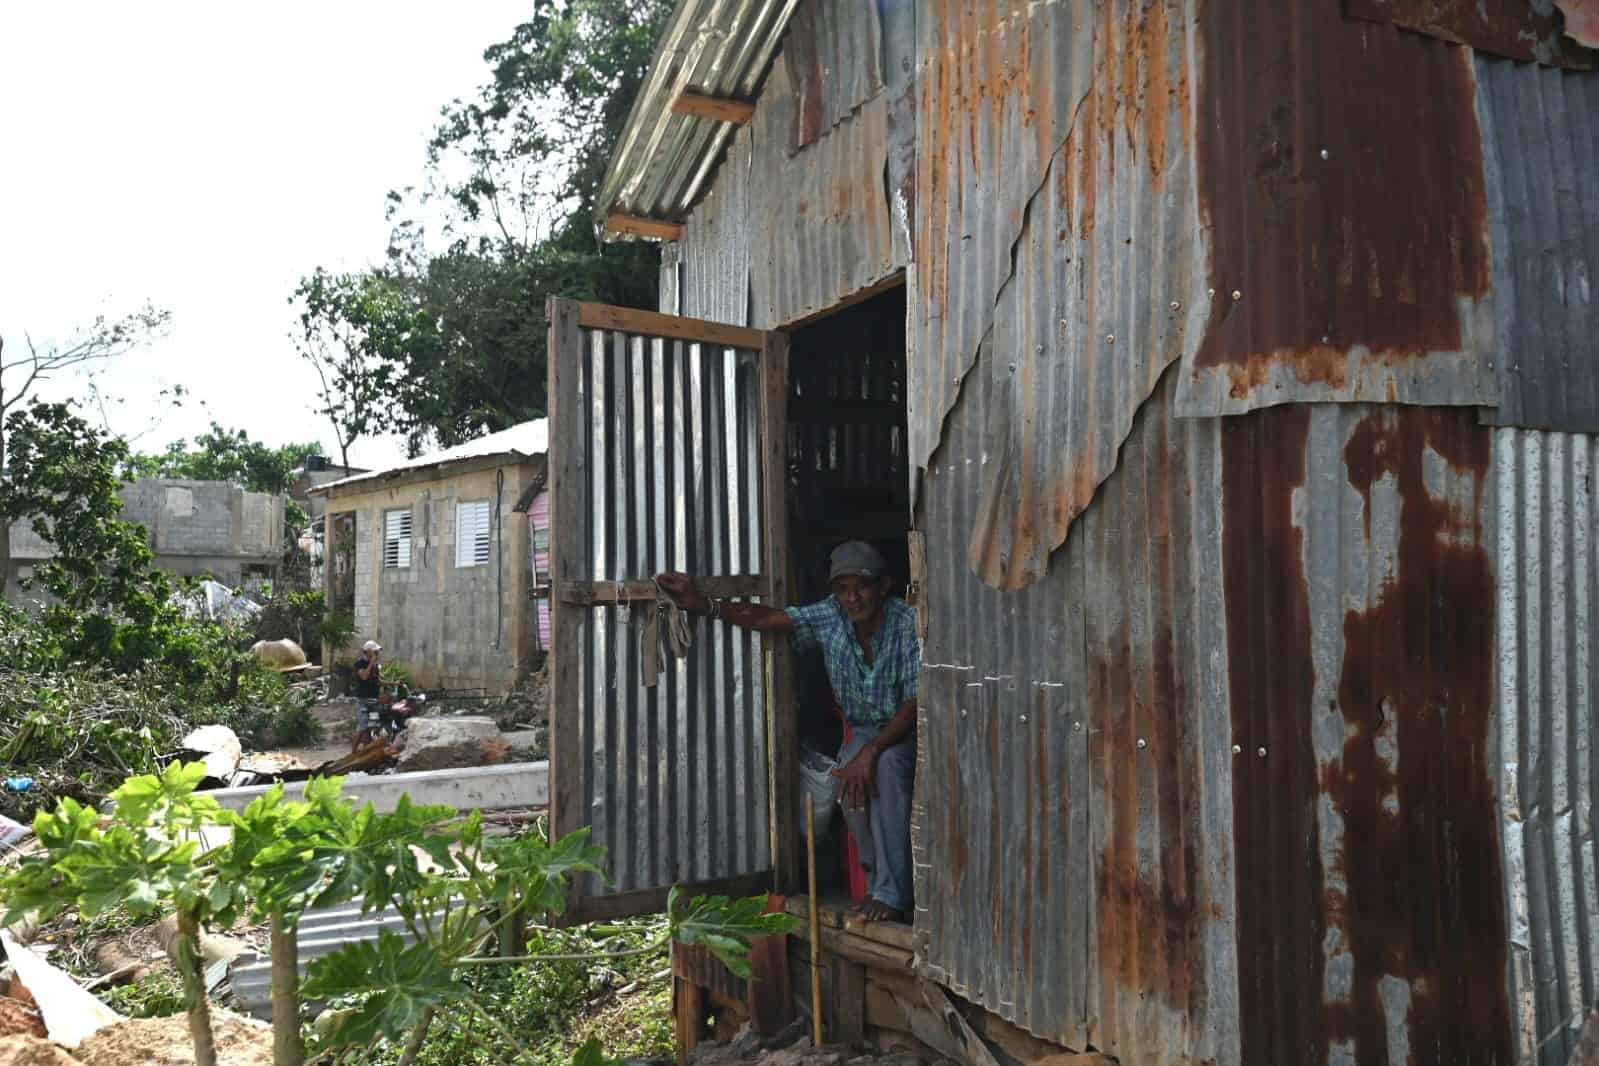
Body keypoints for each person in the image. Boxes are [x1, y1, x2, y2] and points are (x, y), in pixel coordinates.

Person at [658, 540, 919, 923]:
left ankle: (894, 896)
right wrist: (704, 605)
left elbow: (914, 703)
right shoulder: (831, 616)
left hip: (905, 731)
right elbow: (770, 619)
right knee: (851, 790)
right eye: (843, 588)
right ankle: (878, 885)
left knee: (889, 771)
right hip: (864, 731)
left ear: (882, 586)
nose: (852, 597)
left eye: (861, 586)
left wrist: (873, 752)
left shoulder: (906, 621)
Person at [352, 639, 383, 750]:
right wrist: (371, 663)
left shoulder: (375, 665)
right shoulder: (359, 663)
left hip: (374, 700)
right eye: (375, 651)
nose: (377, 654)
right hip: (363, 700)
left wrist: (393, 683)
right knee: (362, 728)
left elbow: (377, 680)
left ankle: (367, 750)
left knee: (372, 726)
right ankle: (353, 752)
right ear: (369, 652)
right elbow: (364, 676)